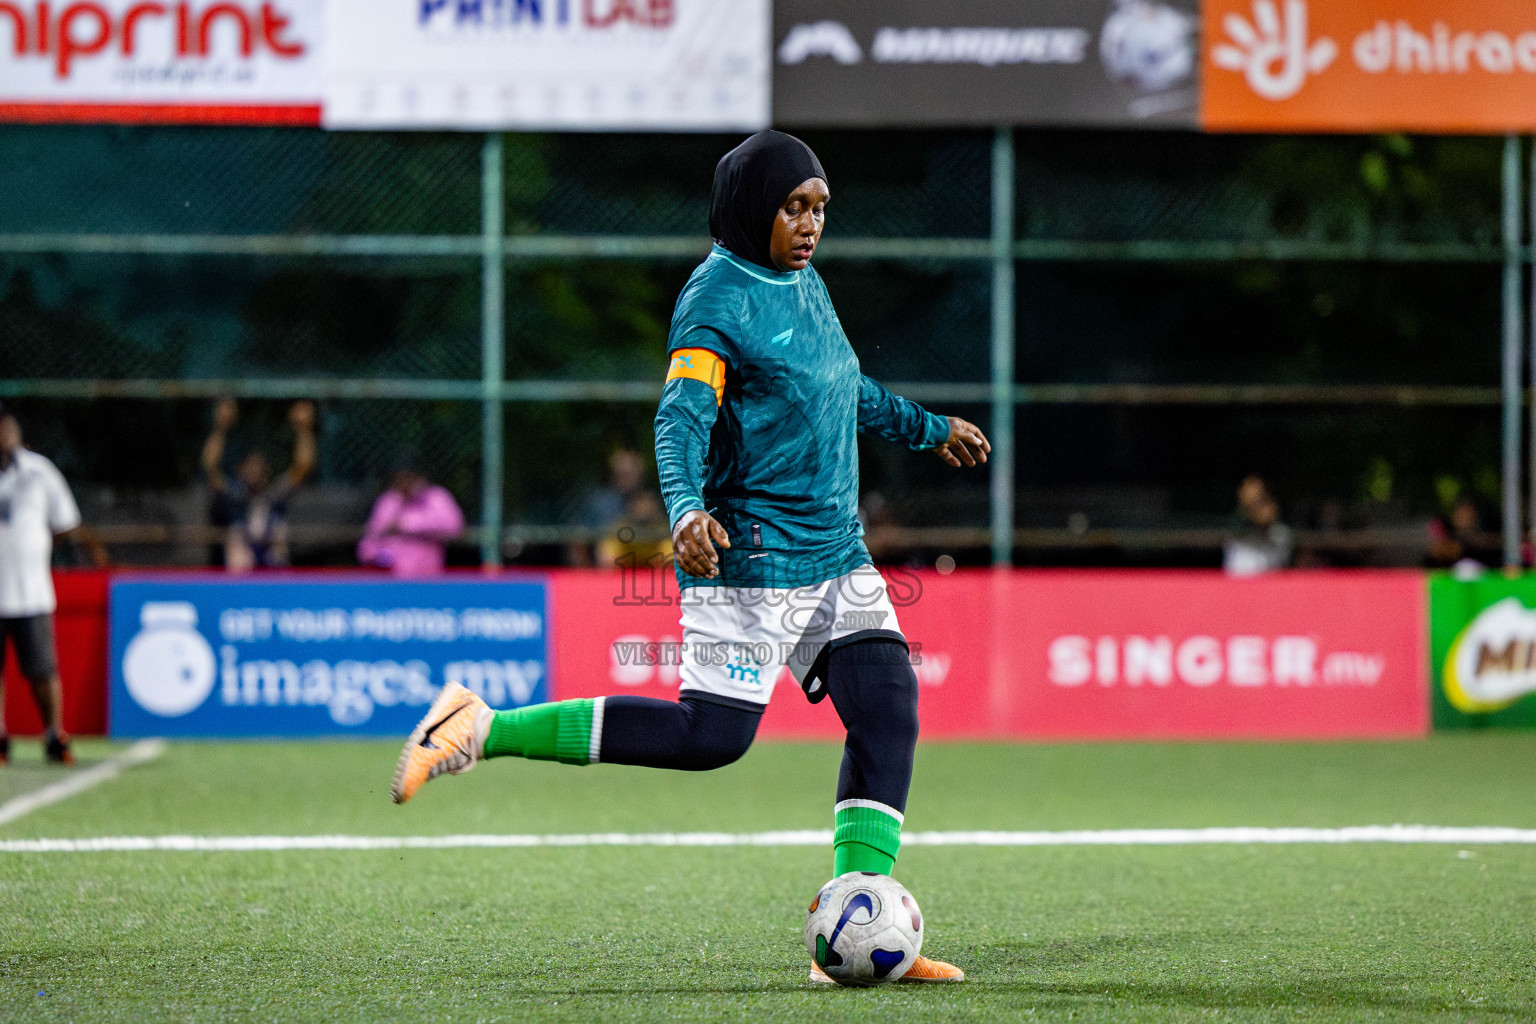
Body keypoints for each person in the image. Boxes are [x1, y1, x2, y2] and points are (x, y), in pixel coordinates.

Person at [391, 131, 990, 983]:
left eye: (820, 209)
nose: (811, 224)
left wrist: (930, 429)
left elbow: (842, 387)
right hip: (750, 559)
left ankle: (860, 924)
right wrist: (683, 510)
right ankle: (477, 727)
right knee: (711, 738)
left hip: (836, 555)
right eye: (794, 207)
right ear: (753, 207)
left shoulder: (803, 283)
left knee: (888, 706)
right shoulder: (715, 298)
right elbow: (681, 418)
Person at [0, 402, 106, 766]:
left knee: (42, 670)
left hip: (30, 592)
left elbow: (64, 523)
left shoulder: (38, 472)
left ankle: (53, 735)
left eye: (8, 426)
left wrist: (32, 549)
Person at [200, 398, 316, 571]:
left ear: (267, 472)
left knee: (277, 534)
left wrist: (303, 430)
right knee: (236, 536)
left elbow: (303, 467)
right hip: (241, 565)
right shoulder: (236, 493)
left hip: (272, 564)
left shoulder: (274, 493)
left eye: (259, 467)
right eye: (249, 466)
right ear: (240, 470)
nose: (253, 471)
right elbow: (210, 468)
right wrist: (220, 428)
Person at [357, 459, 465, 578]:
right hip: (391, 577)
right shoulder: (389, 500)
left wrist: (406, 524)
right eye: (399, 479)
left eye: (407, 478)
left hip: (427, 576)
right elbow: (369, 541)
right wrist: (376, 557)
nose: (404, 484)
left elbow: (453, 526)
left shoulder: (436, 497)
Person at [1223, 474, 1293, 576]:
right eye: (1250, 505)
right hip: (1245, 587)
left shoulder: (1282, 533)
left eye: (1261, 501)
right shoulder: (1236, 536)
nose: (1257, 508)